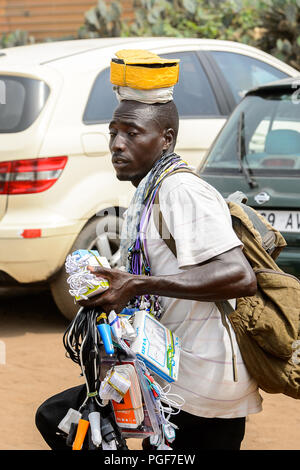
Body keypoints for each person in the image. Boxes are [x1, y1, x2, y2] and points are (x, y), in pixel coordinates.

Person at [35, 50, 262, 451]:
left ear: (166, 139)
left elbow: (238, 276)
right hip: (170, 377)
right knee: (63, 421)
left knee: (65, 422)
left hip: (203, 386)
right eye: (113, 133)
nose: (117, 145)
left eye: (133, 133)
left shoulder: (181, 190)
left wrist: (136, 284)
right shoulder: (150, 190)